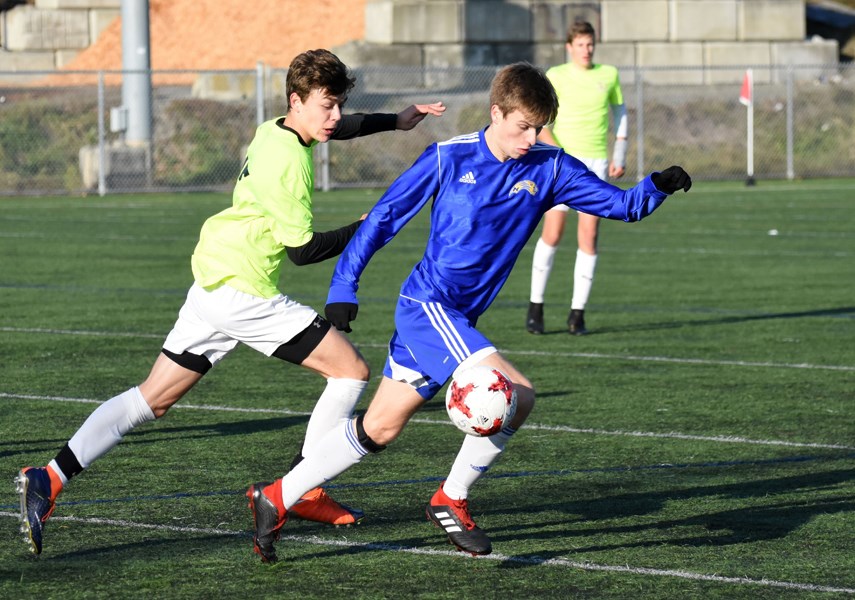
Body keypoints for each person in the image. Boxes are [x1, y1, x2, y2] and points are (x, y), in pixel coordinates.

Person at [244, 61, 691, 563]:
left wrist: (656, 185)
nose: (532, 137)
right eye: (523, 126)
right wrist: (344, 284)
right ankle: (451, 499)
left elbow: (623, 206)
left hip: (458, 318)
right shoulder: (447, 157)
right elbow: (385, 217)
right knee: (516, 394)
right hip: (428, 307)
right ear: (496, 112)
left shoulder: (551, 167)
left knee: (380, 428)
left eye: (540, 127)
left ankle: (276, 496)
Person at [14, 48, 446, 556]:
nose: (333, 117)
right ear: (297, 101)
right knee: (349, 372)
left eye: (337, 105)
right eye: (326, 106)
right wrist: (371, 227)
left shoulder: (275, 128)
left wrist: (395, 121)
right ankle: (302, 489)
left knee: (153, 398)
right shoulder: (289, 163)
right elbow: (305, 252)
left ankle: (48, 476)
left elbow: (341, 127)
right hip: (245, 294)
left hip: (213, 281)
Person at [526, 20, 629, 336]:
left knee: (589, 236)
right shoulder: (556, 76)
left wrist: (619, 156)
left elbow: (621, 115)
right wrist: (558, 155)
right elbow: (541, 121)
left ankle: (577, 314)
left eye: (590, 44)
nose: (586, 50)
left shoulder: (608, 74)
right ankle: (535, 308)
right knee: (553, 233)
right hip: (560, 164)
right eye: (580, 45)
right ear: (569, 47)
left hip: (595, 164)